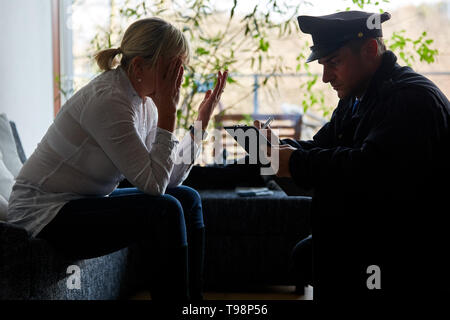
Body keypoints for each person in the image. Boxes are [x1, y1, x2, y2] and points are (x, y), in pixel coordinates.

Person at [7, 17, 228, 301]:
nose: (178, 79)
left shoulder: (145, 103)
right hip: (43, 213)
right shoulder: (109, 100)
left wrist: (200, 123)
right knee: (165, 210)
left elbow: (169, 177)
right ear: (138, 67)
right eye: (171, 69)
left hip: (81, 203)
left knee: (187, 198)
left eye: (180, 69)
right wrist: (169, 115)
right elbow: (154, 186)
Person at [256, 11, 450, 301]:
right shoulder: (359, 96)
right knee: (307, 256)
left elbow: (368, 169)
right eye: (323, 65)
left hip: (412, 250)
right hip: (376, 235)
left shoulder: (409, 99)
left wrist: (293, 162)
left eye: (333, 62)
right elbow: (323, 145)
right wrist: (279, 149)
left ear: (370, 49)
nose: (325, 77)